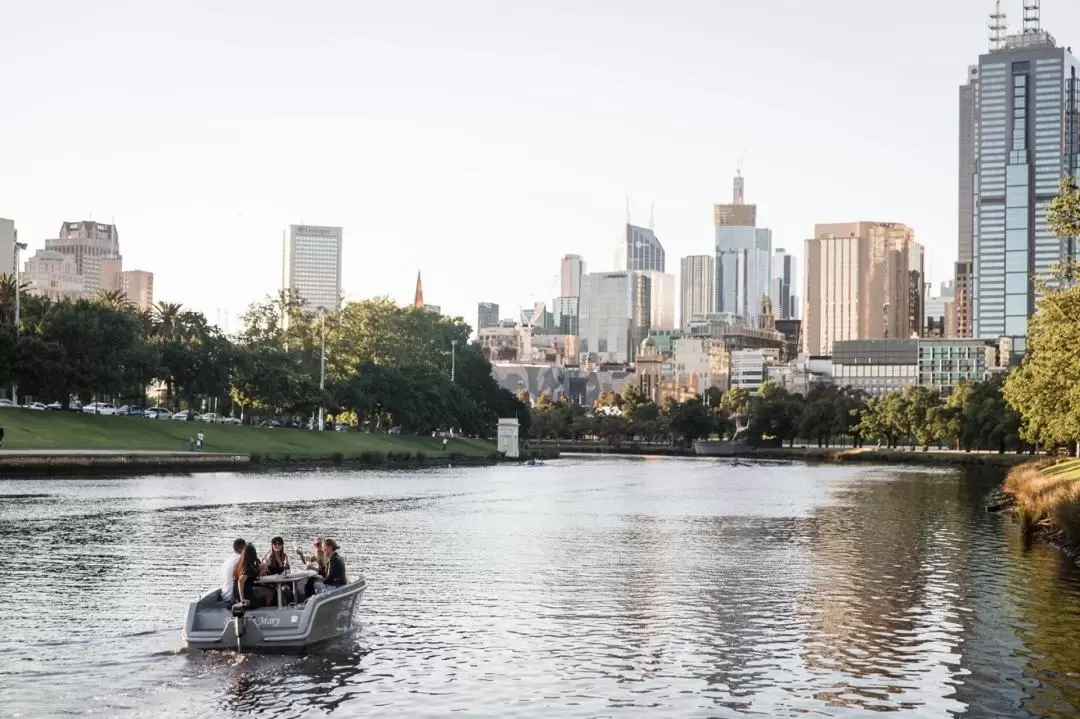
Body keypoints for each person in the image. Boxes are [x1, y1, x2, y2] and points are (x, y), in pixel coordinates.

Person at [220, 538, 246, 603]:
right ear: (242, 548)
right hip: (233, 596)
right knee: (269, 592)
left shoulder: (227, 560)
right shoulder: (240, 559)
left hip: (225, 595)